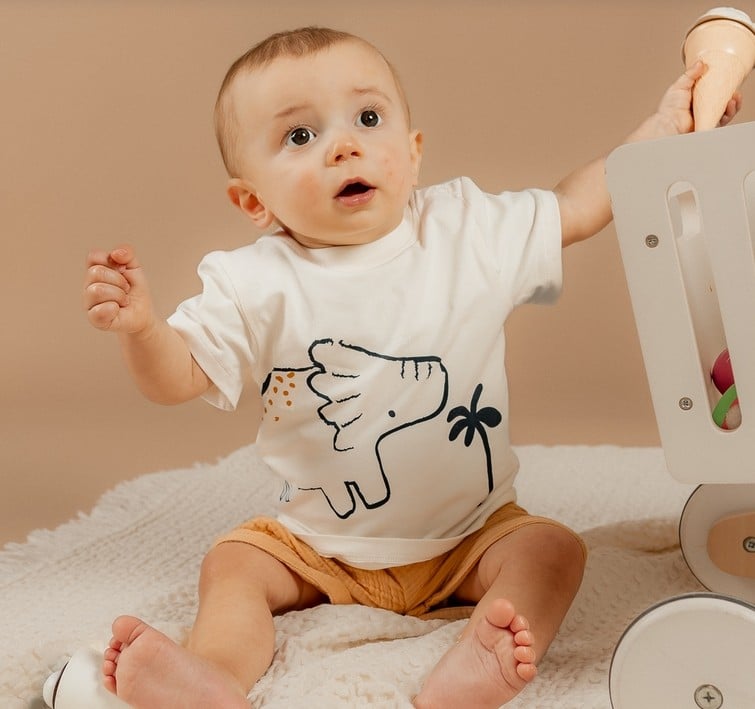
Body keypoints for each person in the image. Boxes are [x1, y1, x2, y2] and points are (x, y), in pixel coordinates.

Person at [83, 26, 740, 709]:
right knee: (234, 564)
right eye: (301, 136)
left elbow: (576, 206)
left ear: (414, 152)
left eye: (368, 119)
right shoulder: (253, 280)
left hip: (470, 535)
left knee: (551, 551)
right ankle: (214, 674)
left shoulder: (464, 230)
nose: (344, 145)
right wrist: (143, 330)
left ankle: (479, 661)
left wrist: (661, 128)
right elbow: (179, 377)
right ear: (254, 201)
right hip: (314, 546)